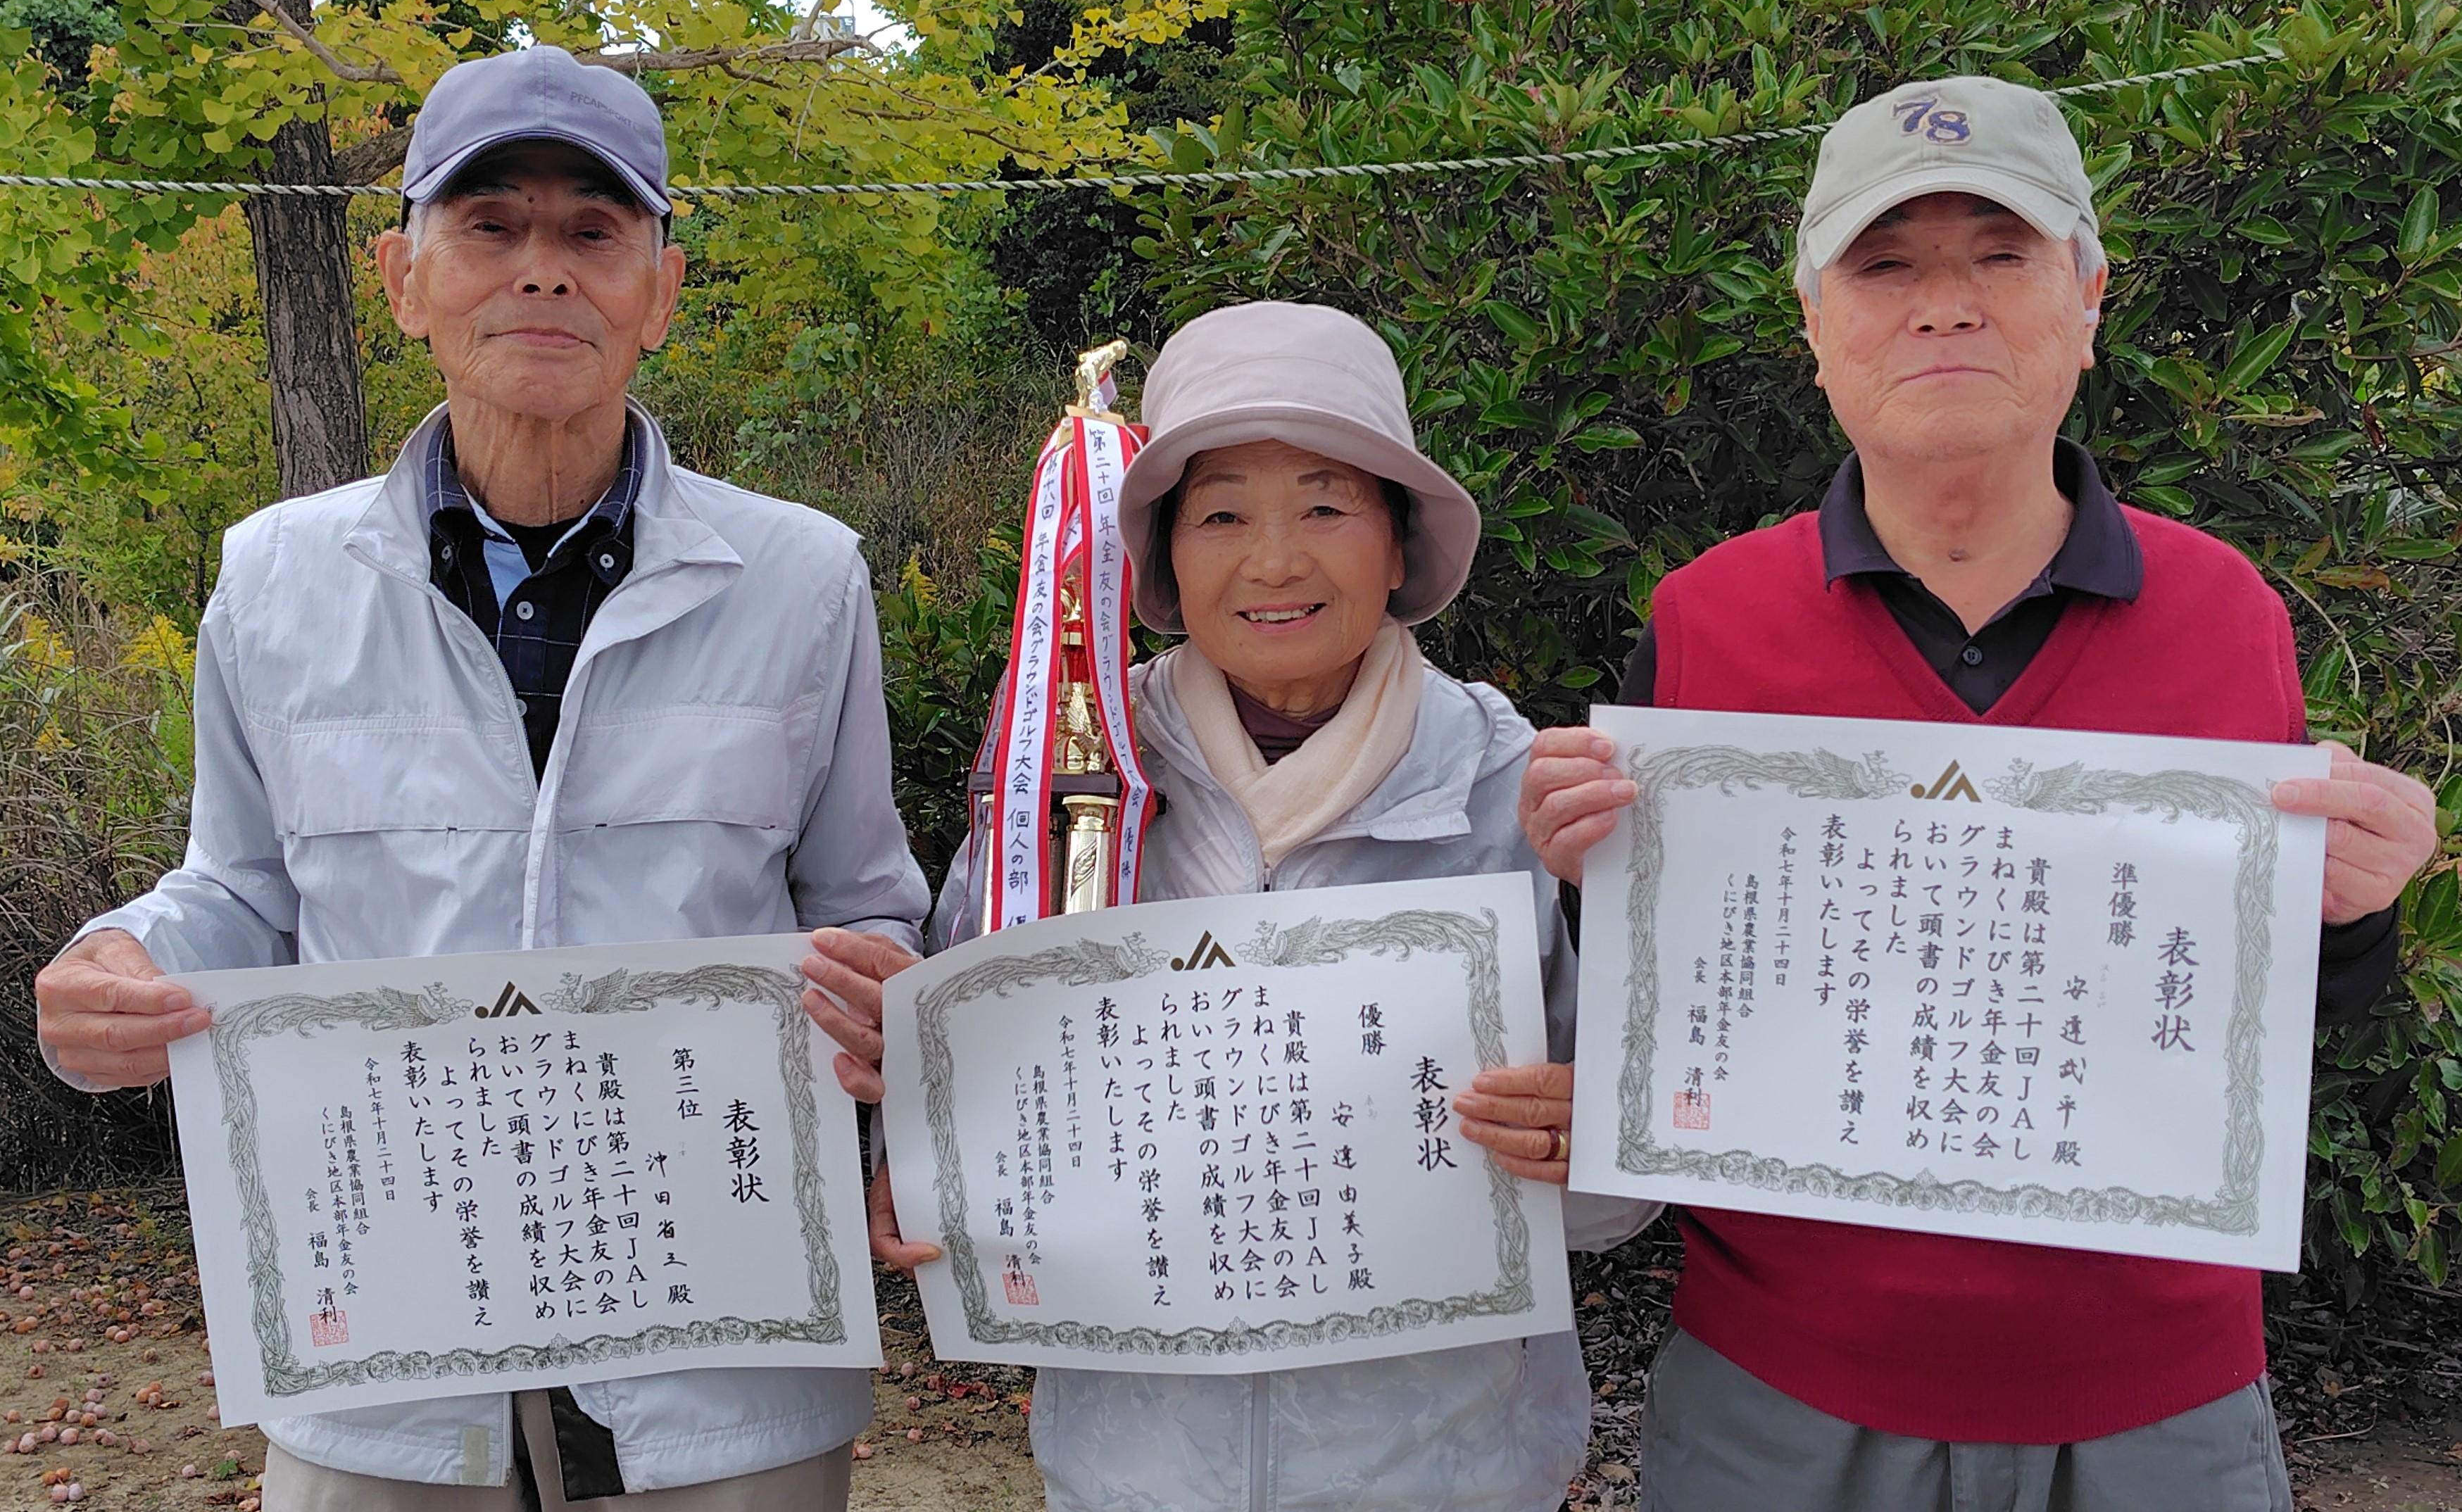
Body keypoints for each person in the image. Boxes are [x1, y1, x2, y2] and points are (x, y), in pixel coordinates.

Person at [1505, 74, 2442, 1510]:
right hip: (1781, 1395)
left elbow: (2260, 1021)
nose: (1944, 304)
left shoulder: (2227, 611)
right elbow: (1676, 1006)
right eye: (1886, 264)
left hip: (2161, 1399)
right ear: (1816, 322)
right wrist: (1587, 877)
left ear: (2087, 295)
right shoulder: (1706, 619)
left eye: (1998, 254)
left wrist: (2358, 913)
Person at [30, 44, 931, 1511]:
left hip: (723, 1365)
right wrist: (121, 963)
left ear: (663, 288)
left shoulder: (800, 575)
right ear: (401, 277)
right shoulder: (276, 579)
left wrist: (898, 998)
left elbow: (865, 898)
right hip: (381, 1354)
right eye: (491, 226)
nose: (545, 273)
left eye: (593, 232)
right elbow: (240, 887)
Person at [800, 301, 1654, 1512]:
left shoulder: (1515, 789)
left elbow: (1615, 1198)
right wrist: (925, 1158)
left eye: (1324, 504)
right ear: (1156, 561)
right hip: (1133, 1474)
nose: (1274, 560)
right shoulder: (1069, 762)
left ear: (1399, 543)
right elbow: (967, 1071)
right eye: (1219, 515)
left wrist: (1588, 1147)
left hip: (1451, 1473)